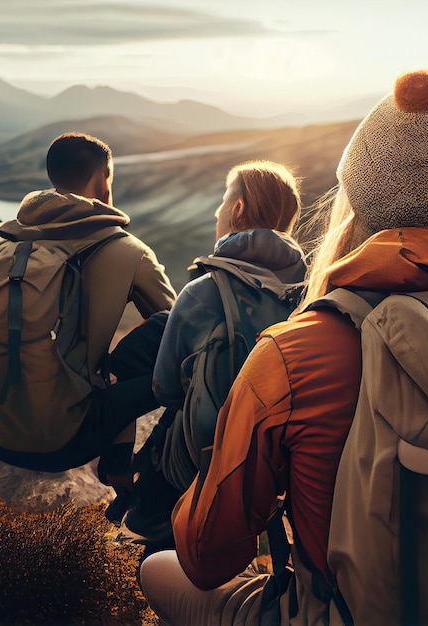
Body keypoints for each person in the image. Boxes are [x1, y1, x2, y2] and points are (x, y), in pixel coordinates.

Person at [138, 69, 428, 624]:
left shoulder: (298, 351)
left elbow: (208, 557)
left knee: (156, 568)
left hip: (342, 613)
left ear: (360, 204)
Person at [0, 132, 177, 515]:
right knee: (179, 356)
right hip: (71, 440)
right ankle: (136, 487)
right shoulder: (127, 249)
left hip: (1, 436)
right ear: (103, 179)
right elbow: (180, 327)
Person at [123, 160, 307, 546]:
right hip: (278, 461)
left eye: (224, 201)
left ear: (238, 210)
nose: (217, 211)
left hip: (203, 460)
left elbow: (165, 389)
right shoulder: (310, 292)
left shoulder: (202, 292)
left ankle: (158, 542)